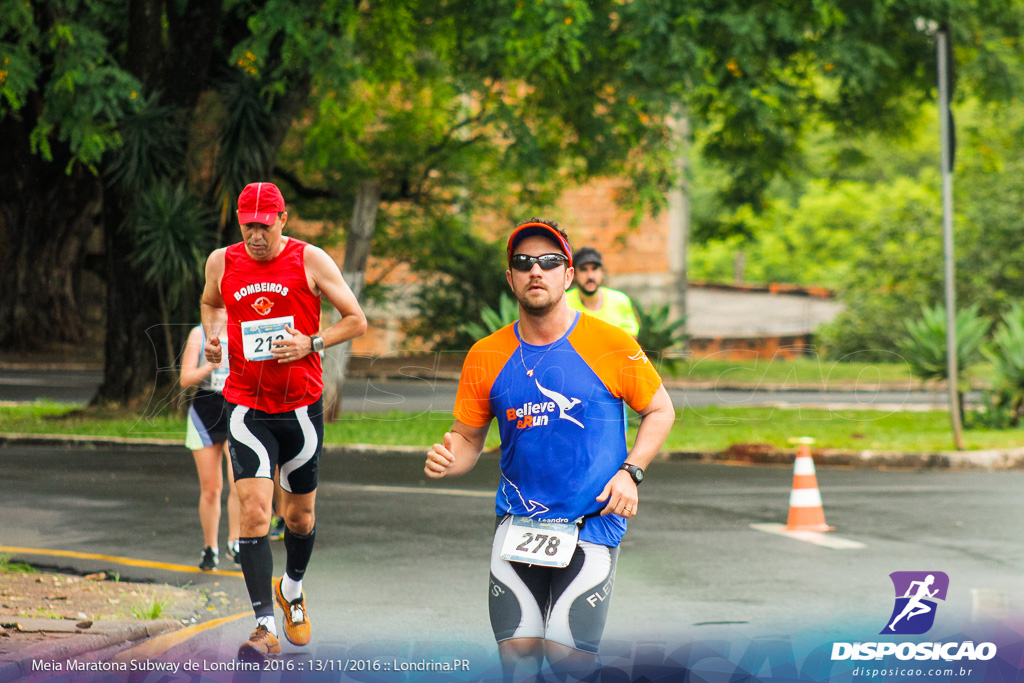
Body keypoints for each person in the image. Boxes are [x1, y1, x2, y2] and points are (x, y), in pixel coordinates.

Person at [424, 218, 675, 681]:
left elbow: (660, 410)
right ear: (511, 279)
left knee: (568, 658)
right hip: (518, 522)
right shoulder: (486, 355)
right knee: (517, 655)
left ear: (568, 275)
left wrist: (631, 472)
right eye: (523, 263)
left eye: (549, 261)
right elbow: (467, 438)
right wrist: (449, 456)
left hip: (591, 524)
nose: (535, 271)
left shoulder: (609, 343)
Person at [200, 181, 367, 662]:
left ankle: (291, 589)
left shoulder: (310, 259)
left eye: (264, 224)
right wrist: (214, 340)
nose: (255, 234)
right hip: (246, 408)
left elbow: (355, 319)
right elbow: (211, 303)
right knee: (253, 511)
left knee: (300, 516)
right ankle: (263, 626)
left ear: (283, 219)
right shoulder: (221, 261)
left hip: (300, 411)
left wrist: (309, 343)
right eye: (248, 224)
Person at [180, 315, 240, 571]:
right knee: (211, 488)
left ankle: (235, 542)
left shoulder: (243, 332)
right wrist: (212, 366)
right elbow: (185, 379)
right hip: (205, 410)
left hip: (237, 408)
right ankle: (210, 547)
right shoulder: (199, 334)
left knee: (238, 482)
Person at [565, 246, 640, 337]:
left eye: (594, 269)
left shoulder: (620, 300)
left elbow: (631, 342)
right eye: (583, 270)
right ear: (574, 274)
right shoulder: (564, 302)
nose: (590, 276)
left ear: (602, 272)